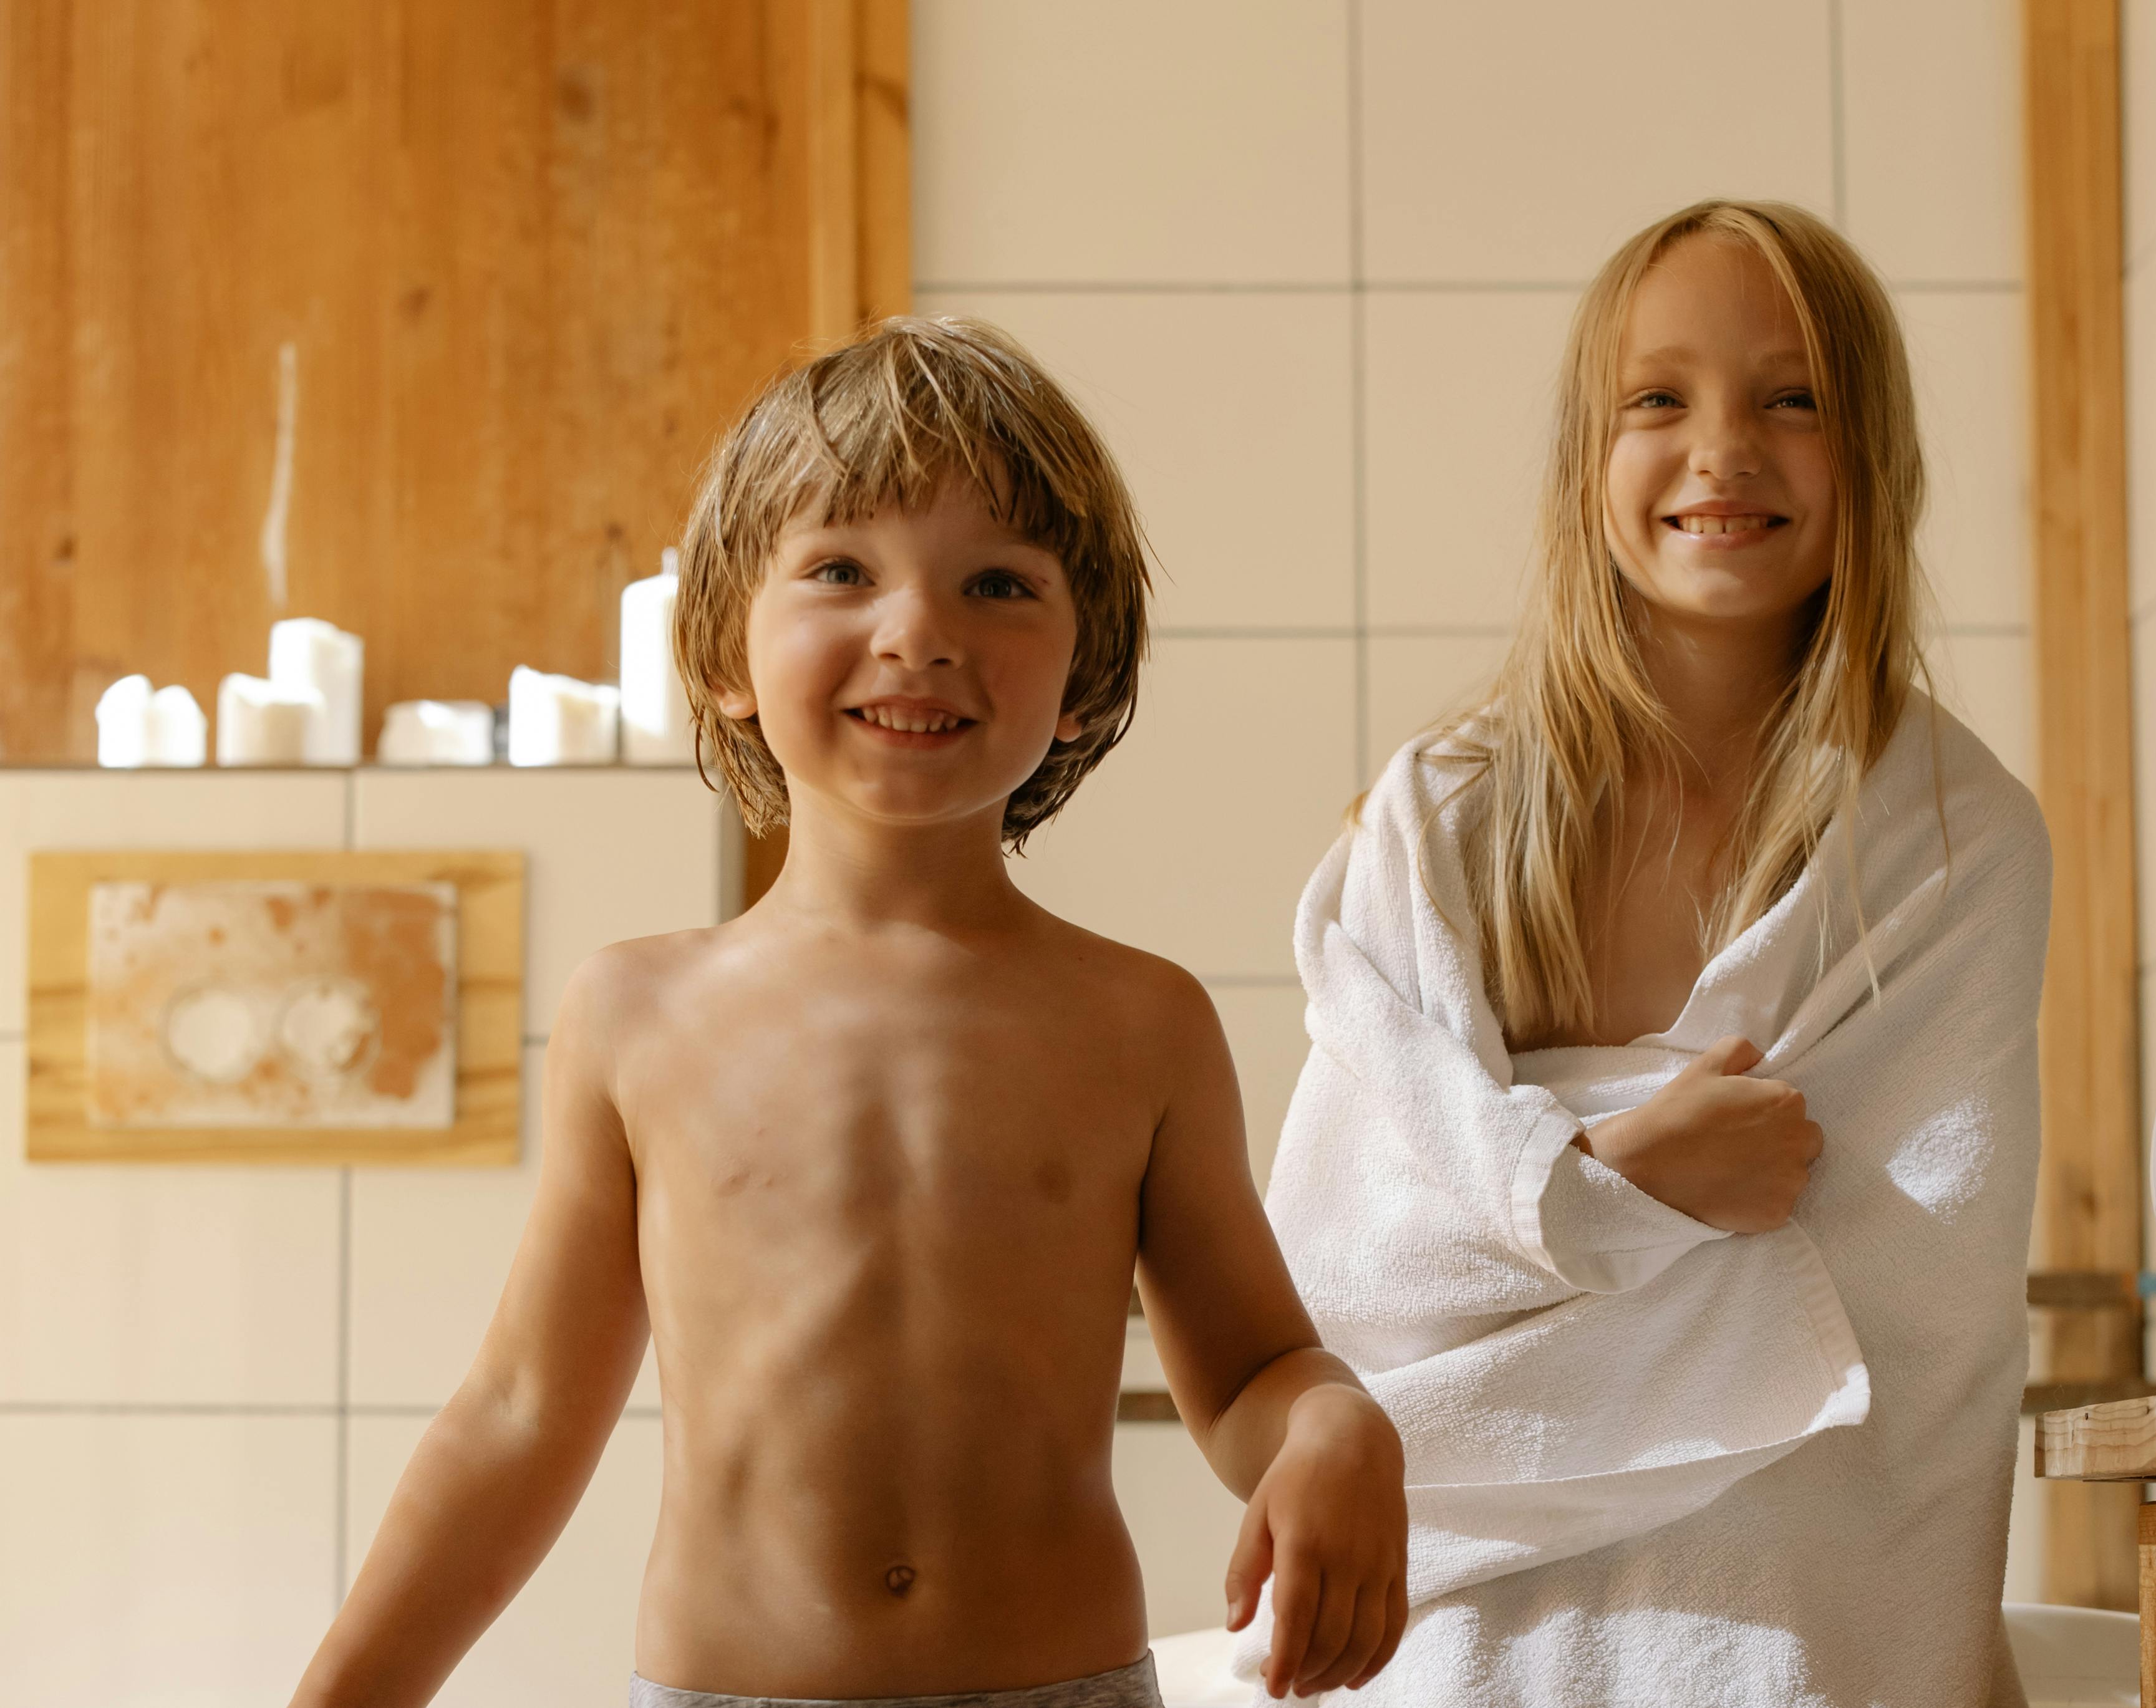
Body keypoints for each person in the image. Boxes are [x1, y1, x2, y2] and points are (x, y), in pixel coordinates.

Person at [287, 318, 1408, 1708]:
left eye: (997, 582)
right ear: (723, 654)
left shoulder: (1137, 1023)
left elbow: (1248, 1377)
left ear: (1085, 677)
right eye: (838, 569)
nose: (919, 631)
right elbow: (519, 1416)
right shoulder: (639, 1014)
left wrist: (1336, 1420)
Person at [1241, 201, 2052, 1704]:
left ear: (1870, 451)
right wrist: (1606, 1183)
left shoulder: (1955, 843)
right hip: (1461, 1635)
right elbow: (1336, 1269)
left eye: (1791, 398)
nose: (1722, 450)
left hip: (1797, 1628)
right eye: (1657, 399)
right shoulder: (1446, 822)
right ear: (1584, 463)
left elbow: (1918, 1311)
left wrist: (1541, 1196)